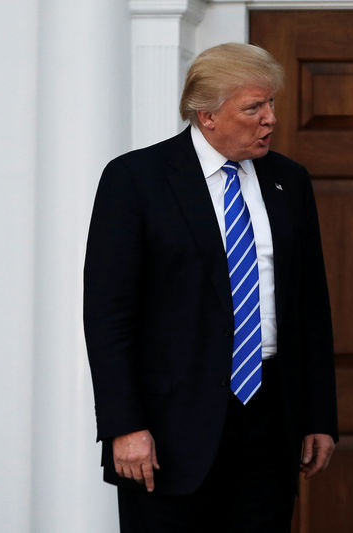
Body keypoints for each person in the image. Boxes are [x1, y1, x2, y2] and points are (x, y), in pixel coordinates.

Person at [84, 42, 338, 532]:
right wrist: (123, 425)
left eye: (270, 105)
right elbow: (108, 315)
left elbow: (310, 308)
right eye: (253, 107)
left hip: (270, 419)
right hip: (166, 429)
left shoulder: (289, 181)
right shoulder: (135, 179)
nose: (270, 119)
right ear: (207, 115)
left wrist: (319, 415)